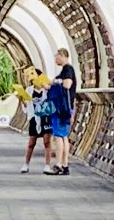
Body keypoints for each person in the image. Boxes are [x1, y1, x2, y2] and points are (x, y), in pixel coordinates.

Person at [45, 48, 77, 176]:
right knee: (63, 136)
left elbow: (67, 85)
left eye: (57, 56)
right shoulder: (64, 70)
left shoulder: (68, 69)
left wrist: (55, 83)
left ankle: (58, 164)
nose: (55, 59)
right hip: (64, 107)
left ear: (63, 55)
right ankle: (64, 165)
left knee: (58, 135)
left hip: (62, 107)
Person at [18, 68, 51, 173]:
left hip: (46, 117)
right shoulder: (29, 90)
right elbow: (27, 107)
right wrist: (21, 99)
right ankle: (26, 164)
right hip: (34, 117)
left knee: (47, 141)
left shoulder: (46, 90)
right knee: (32, 141)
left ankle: (47, 165)